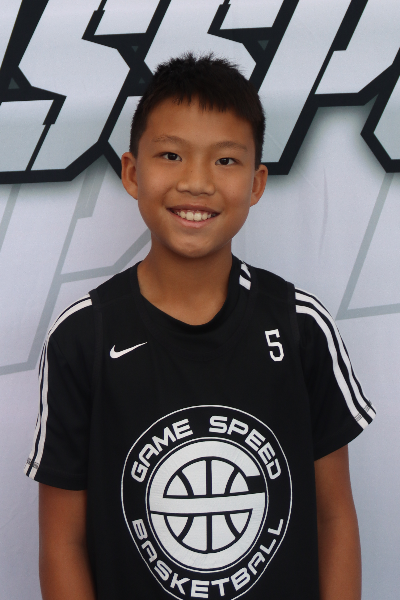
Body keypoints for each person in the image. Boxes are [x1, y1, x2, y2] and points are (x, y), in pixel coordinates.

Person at [25, 53, 375, 600]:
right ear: (133, 173)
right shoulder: (81, 338)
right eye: (171, 155)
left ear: (256, 183)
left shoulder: (301, 326)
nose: (196, 182)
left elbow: (334, 517)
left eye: (226, 160)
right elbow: (62, 543)